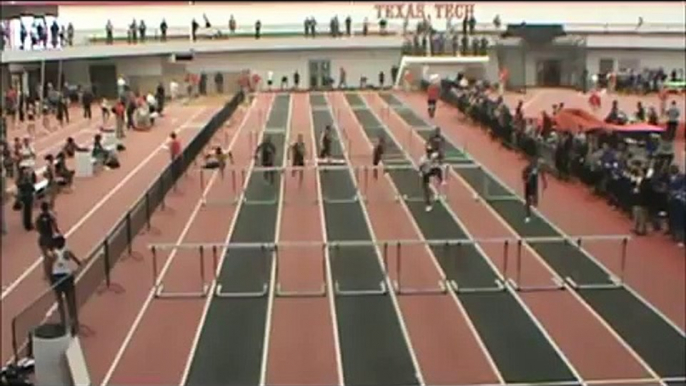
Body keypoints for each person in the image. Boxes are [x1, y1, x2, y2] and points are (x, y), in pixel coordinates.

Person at [49, 235, 82, 335]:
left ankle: (63, 323)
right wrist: (80, 264)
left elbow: (49, 267)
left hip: (57, 278)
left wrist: (51, 279)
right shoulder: (67, 251)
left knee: (60, 301)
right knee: (71, 301)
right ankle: (74, 323)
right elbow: (77, 261)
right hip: (67, 277)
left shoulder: (53, 254)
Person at [36, 201, 60, 280]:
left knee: (45, 256)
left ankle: (46, 274)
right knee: (53, 256)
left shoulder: (38, 218)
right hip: (49, 239)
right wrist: (58, 233)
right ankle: (51, 272)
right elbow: (55, 227)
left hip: (42, 239)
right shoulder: (51, 216)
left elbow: (37, 228)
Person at [522, 156, 547, 223]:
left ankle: (535, 210)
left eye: (542, 165)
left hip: (534, 184)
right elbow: (524, 172)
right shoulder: (530, 167)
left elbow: (542, 175)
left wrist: (544, 183)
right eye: (540, 164)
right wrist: (525, 179)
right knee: (528, 200)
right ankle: (528, 216)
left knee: (535, 200)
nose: (541, 166)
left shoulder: (539, 169)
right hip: (528, 184)